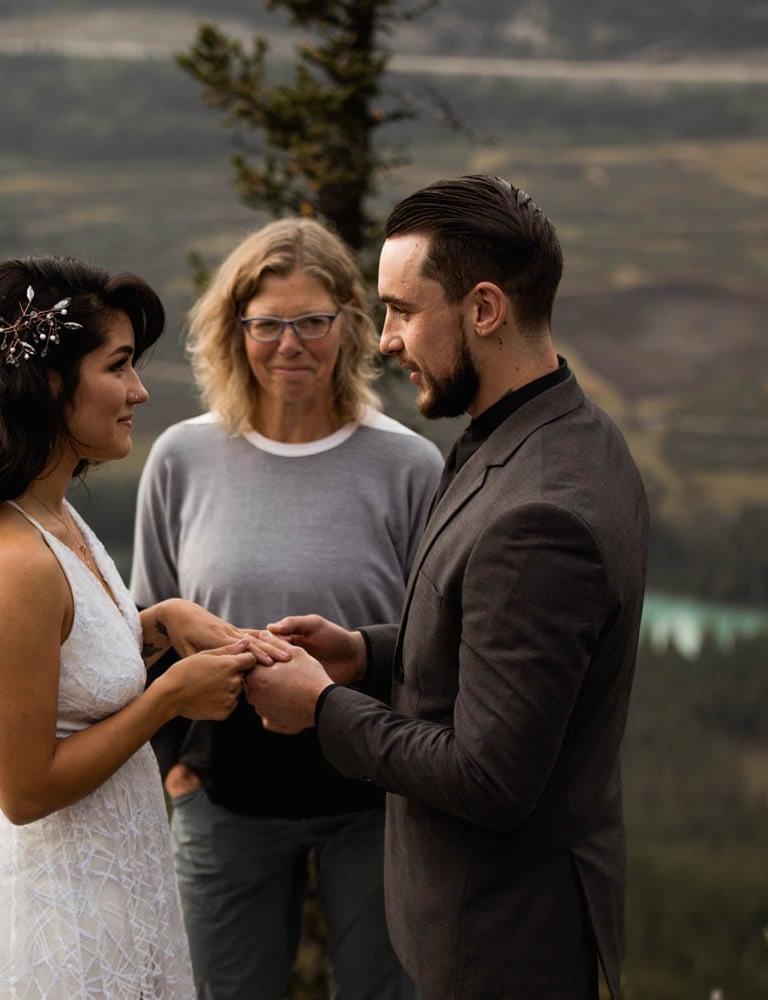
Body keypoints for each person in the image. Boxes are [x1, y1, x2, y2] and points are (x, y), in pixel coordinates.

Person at [245, 176, 649, 1000]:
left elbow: (489, 778)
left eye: (402, 309)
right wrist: (364, 654)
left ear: (485, 309)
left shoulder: (541, 514)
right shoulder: (560, 430)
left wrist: (322, 706)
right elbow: (491, 637)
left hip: (500, 945)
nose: (386, 340)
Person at [0, 256, 284, 999]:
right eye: (119, 366)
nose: (139, 391)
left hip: (105, 886)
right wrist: (169, 699)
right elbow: (26, 787)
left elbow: (63, 669)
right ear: (48, 384)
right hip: (53, 912)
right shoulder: (11, 560)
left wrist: (161, 623)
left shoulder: (52, 514)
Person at [131, 218, 441, 999]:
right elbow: (148, 630)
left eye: (312, 322)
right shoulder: (182, 458)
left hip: (374, 797)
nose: (289, 344)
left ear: (350, 325)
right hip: (224, 798)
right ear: (236, 331)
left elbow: (441, 642)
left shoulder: (407, 465)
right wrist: (175, 775)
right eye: (267, 324)